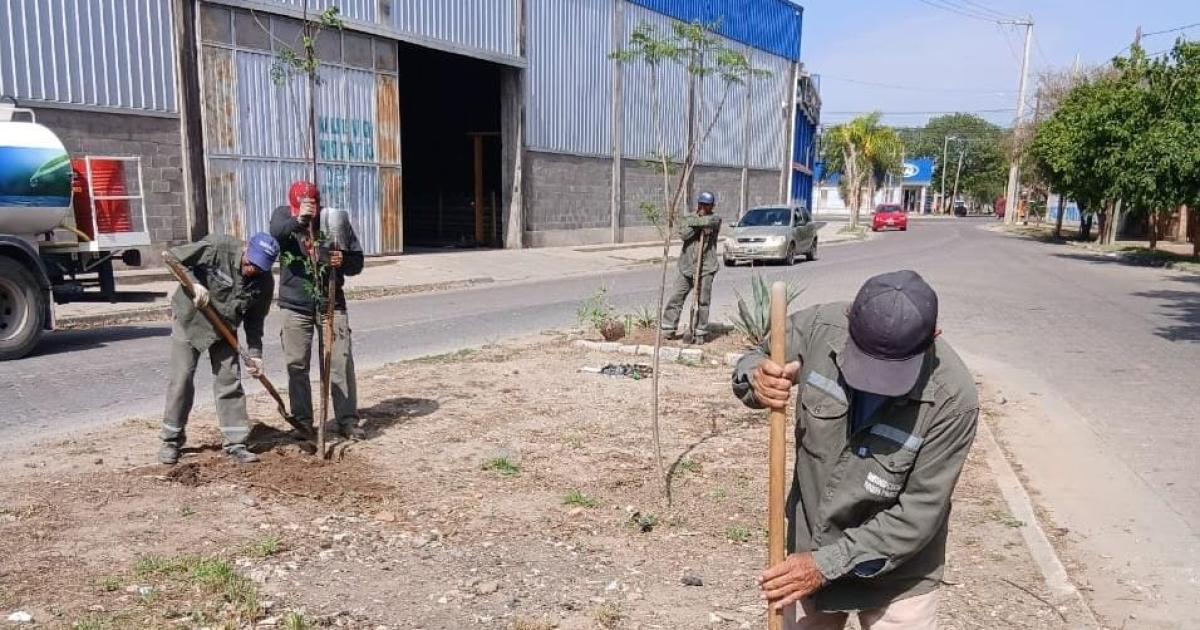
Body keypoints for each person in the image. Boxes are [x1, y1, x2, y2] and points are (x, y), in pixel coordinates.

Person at [732, 270, 979, 630]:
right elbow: (756, 358)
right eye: (865, 363)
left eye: (891, 372)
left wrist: (823, 565)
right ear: (849, 320)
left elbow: (918, 514)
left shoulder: (953, 401)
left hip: (896, 571)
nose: (875, 383)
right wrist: (757, 378)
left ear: (933, 339)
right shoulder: (819, 326)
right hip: (809, 542)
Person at [160, 232, 280, 465]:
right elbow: (172, 257)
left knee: (230, 381)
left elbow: (255, 321)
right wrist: (194, 284)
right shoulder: (219, 247)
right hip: (191, 320)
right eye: (250, 263)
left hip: (224, 326)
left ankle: (235, 443)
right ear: (245, 249)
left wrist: (256, 355)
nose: (251, 270)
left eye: (259, 267)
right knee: (182, 378)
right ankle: (171, 439)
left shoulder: (264, 282)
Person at [270, 181, 365, 440]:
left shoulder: (334, 220)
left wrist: (343, 260)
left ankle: (347, 420)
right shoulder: (282, 216)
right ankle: (303, 422)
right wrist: (298, 220)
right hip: (294, 305)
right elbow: (277, 235)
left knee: (340, 362)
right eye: (297, 208)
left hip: (330, 303)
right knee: (296, 365)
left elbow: (358, 261)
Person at [662, 191, 722, 343]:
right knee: (676, 297)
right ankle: (668, 328)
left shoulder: (715, 219)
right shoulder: (688, 218)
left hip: (706, 267)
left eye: (707, 205)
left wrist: (696, 223)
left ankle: (699, 331)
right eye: (701, 204)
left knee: (703, 301)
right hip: (686, 266)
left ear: (712, 206)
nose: (703, 207)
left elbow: (711, 222)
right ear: (698, 204)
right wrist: (697, 224)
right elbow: (684, 234)